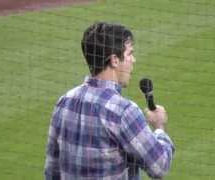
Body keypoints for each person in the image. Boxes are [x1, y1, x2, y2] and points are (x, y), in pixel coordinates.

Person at [44, 22, 175, 180]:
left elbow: (52, 172)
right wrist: (159, 127)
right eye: (129, 54)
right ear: (114, 60)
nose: (134, 60)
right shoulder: (123, 111)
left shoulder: (64, 102)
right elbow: (159, 166)